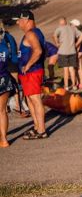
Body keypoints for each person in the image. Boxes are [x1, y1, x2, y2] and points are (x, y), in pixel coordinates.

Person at [14, 10, 48, 139]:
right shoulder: (35, 32)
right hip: (30, 73)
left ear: (27, 20)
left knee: (35, 99)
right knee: (30, 100)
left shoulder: (30, 34)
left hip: (32, 72)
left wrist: (28, 65)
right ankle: (36, 127)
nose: (17, 23)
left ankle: (42, 130)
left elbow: (38, 51)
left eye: (19, 20)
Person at [0, 26, 19, 147]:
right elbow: (13, 60)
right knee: (2, 111)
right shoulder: (5, 44)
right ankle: (4, 140)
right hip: (4, 78)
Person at [53, 17, 82, 91]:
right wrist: (76, 44)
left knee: (65, 69)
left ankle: (66, 86)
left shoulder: (59, 28)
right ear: (65, 22)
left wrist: (57, 43)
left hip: (63, 52)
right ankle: (74, 85)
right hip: (72, 51)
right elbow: (81, 35)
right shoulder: (73, 28)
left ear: (60, 23)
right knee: (71, 69)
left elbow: (54, 35)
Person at [71, 19, 82, 90]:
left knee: (77, 67)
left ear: (74, 25)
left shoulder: (77, 33)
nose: (70, 25)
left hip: (78, 51)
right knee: (78, 67)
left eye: (71, 24)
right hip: (80, 51)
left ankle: (80, 83)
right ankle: (79, 83)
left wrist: (76, 52)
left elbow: (78, 45)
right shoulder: (80, 32)